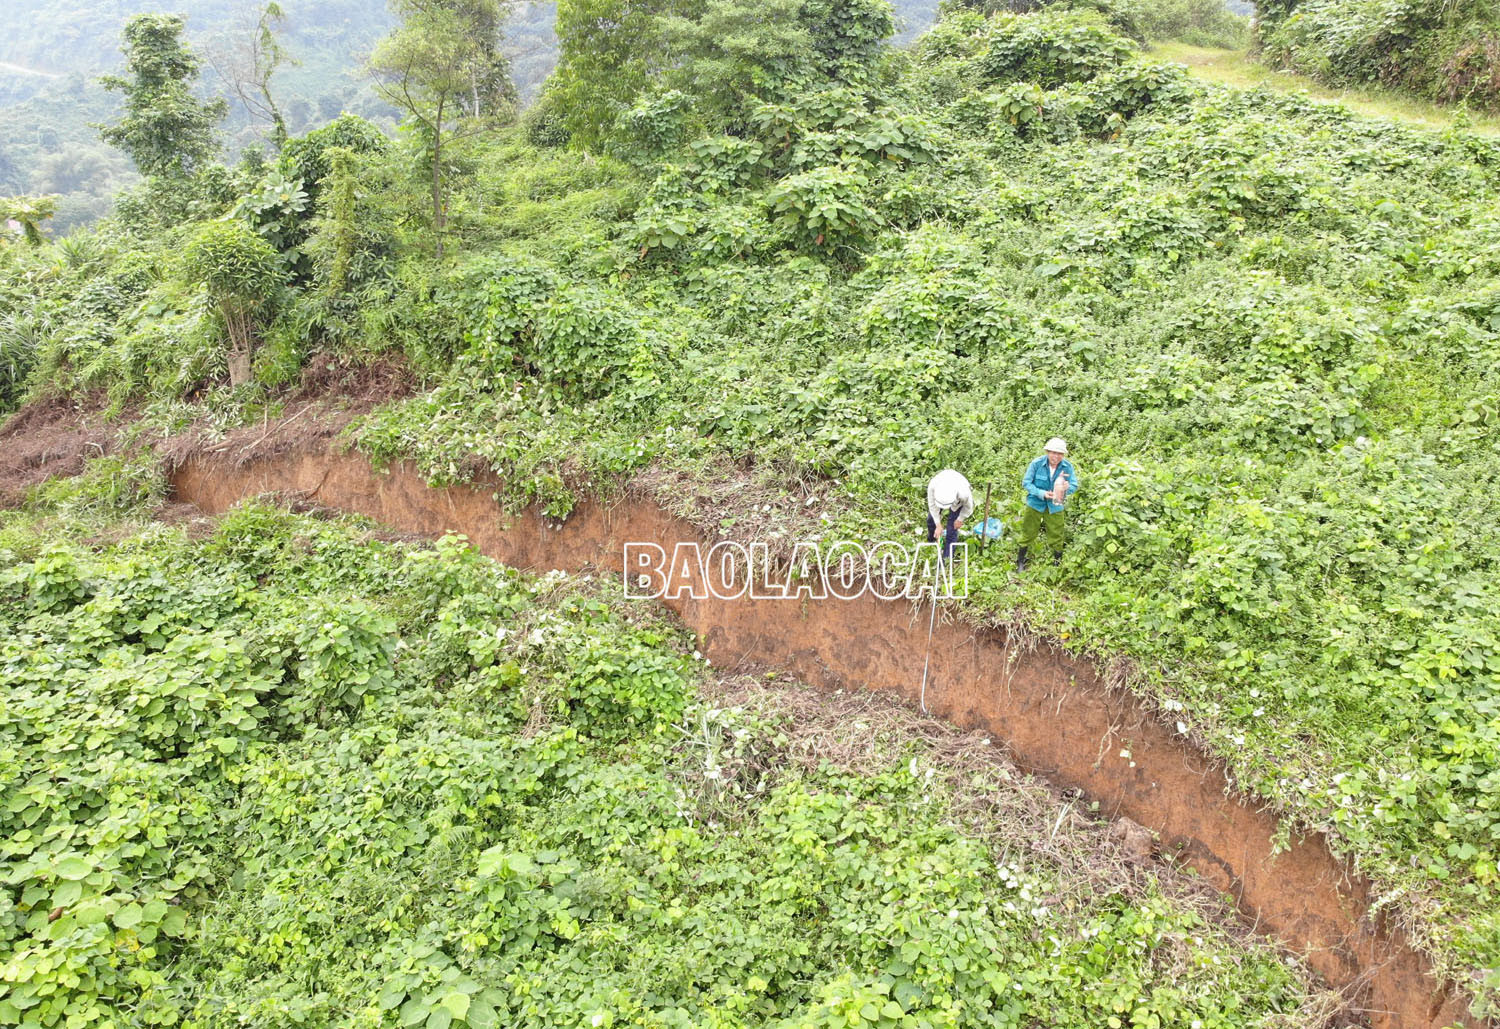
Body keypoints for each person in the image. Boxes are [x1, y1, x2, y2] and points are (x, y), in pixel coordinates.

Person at [1016, 438, 1078, 570]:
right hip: (1035, 503)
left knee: (1057, 532)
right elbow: (1026, 483)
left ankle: (1057, 562)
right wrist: (1041, 493)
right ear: (1047, 452)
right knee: (1028, 531)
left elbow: (1074, 484)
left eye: (1059, 454)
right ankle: (1020, 561)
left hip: (1056, 504)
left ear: (1063, 455)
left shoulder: (1067, 467)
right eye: (1053, 453)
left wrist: (1068, 487)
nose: (1056, 456)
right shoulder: (1036, 464)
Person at [926, 468, 973, 563]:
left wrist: (960, 519)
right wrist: (938, 524)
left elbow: (968, 507)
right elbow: (932, 506)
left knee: (952, 528)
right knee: (931, 520)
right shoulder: (933, 487)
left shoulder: (963, 493)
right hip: (942, 484)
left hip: (958, 498)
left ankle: (947, 558)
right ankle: (931, 540)